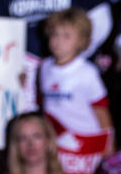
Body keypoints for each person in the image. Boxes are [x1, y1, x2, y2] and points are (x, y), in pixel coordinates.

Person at [38, 9, 113, 150]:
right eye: (54, 34)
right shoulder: (44, 67)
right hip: (57, 144)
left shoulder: (87, 72)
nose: (58, 41)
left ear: (81, 41)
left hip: (86, 142)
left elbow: (101, 111)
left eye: (66, 36)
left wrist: (108, 147)